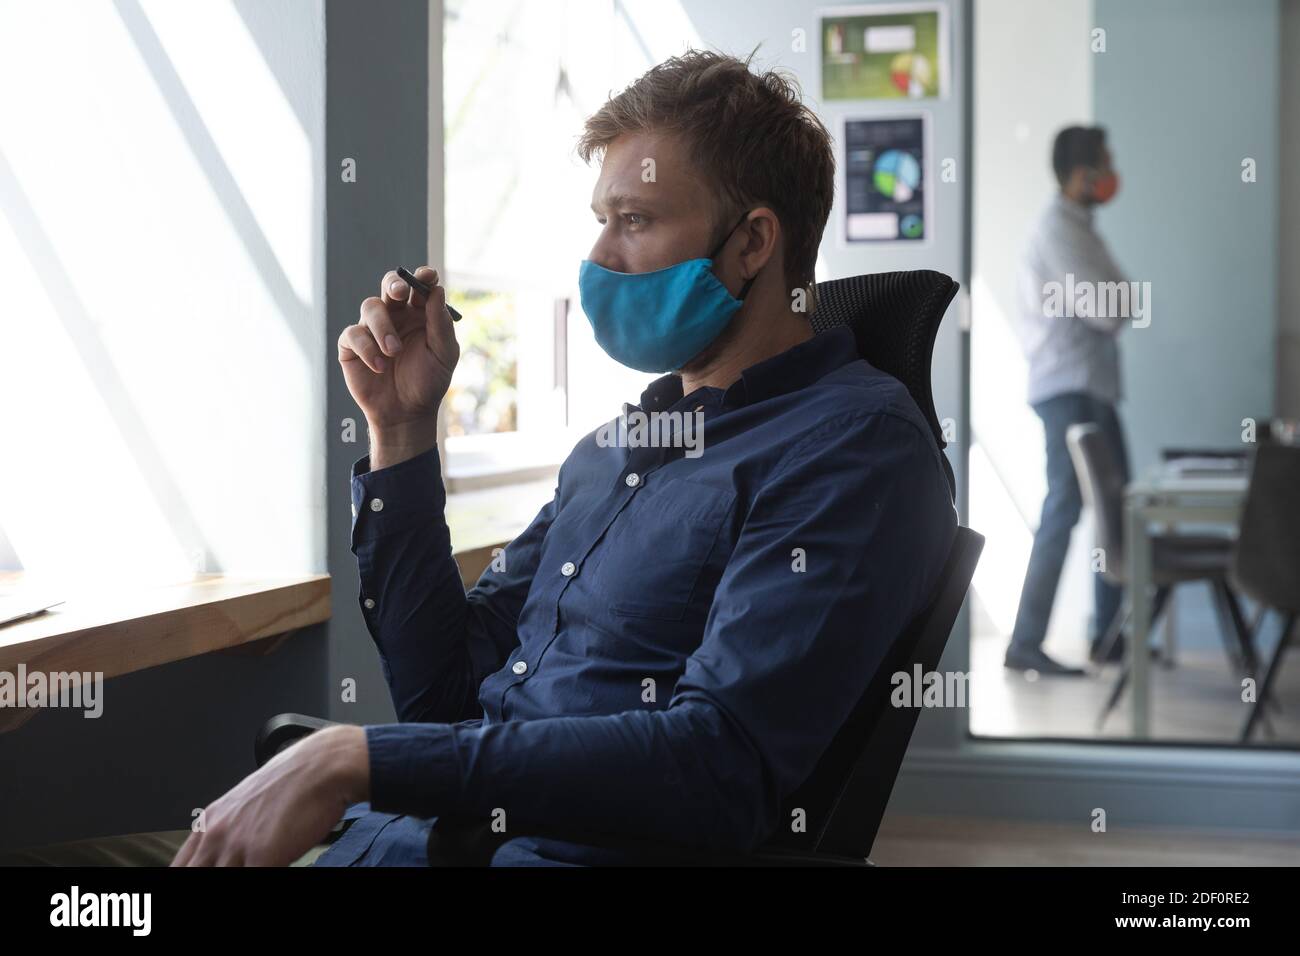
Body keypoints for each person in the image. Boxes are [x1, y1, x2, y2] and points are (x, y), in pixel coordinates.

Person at [2, 51, 956, 867]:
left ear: (753, 242)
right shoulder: (620, 448)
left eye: (635, 220)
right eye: (599, 220)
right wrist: (402, 434)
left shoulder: (853, 450)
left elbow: (719, 766)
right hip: (386, 837)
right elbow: (444, 693)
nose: (600, 258)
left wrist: (355, 759)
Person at [1005, 125, 1132, 677]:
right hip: (1069, 387)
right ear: (1082, 174)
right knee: (1067, 506)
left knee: (1116, 509)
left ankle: (1110, 637)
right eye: (1105, 164)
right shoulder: (1060, 229)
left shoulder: (1079, 227)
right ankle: (1025, 643)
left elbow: (1117, 300)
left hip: (1088, 387)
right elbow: (1110, 309)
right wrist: (1119, 298)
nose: (1111, 175)